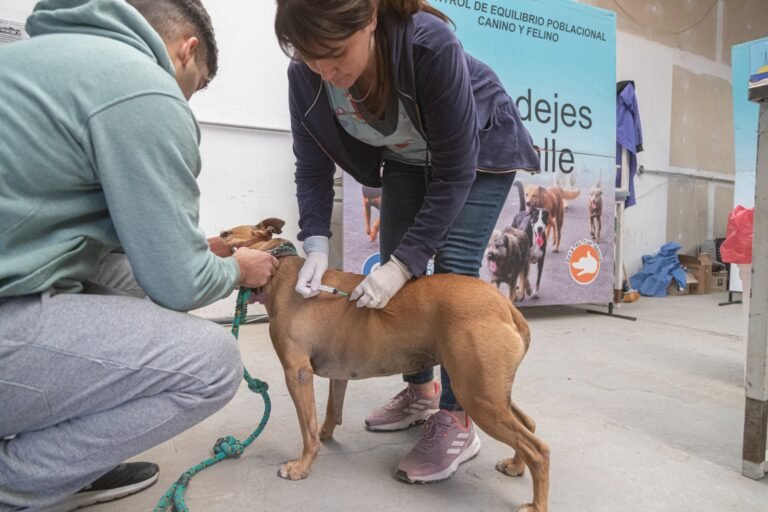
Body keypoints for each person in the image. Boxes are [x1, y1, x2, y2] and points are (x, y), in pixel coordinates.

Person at [0, 0, 278, 510]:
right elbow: (180, 284)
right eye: (191, 89)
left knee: (129, 285)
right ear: (185, 50)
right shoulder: (143, 87)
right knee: (212, 364)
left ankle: (64, 467)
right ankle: (16, 484)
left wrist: (201, 252)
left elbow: (77, 236)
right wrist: (237, 270)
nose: (184, 103)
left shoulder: (34, 59)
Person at [275, 0, 539, 483]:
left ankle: (460, 416)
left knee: (449, 271)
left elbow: (457, 170)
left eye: (336, 53)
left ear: (370, 19)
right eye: (311, 57)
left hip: (476, 152)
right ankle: (421, 391)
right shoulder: (305, 76)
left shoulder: (428, 46)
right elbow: (311, 166)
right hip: (407, 155)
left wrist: (403, 264)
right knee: (397, 273)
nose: (326, 71)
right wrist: (314, 240)